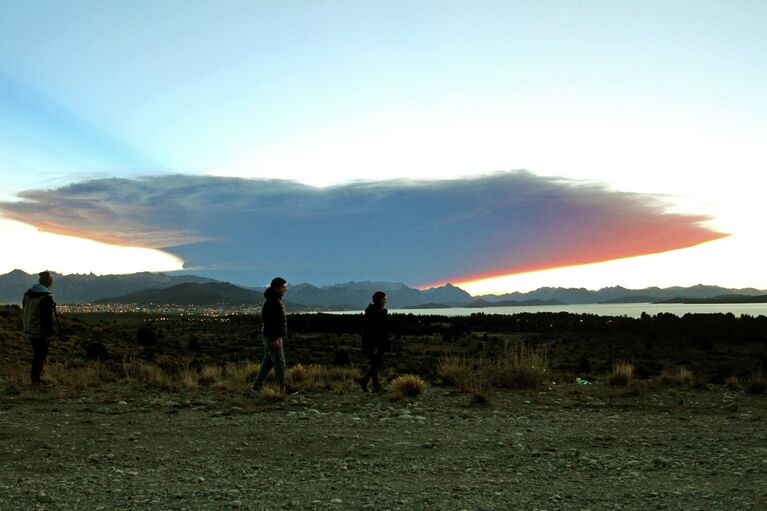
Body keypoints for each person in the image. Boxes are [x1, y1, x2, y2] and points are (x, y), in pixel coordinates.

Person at [252, 277, 293, 394]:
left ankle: (257, 386)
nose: (285, 289)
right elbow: (270, 322)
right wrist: (274, 339)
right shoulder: (272, 302)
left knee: (268, 362)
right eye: (283, 287)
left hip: (270, 336)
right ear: (276, 288)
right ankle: (282, 388)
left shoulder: (273, 300)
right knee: (280, 362)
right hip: (272, 337)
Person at [22, 271, 58, 385]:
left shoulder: (28, 294)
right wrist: (48, 333)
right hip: (40, 332)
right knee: (40, 355)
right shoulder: (45, 297)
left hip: (29, 328)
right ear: (49, 283)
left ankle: (36, 378)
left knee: (37, 354)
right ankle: (36, 380)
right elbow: (46, 318)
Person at [355, 291, 390, 393]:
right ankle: (375, 386)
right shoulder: (373, 314)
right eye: (384, 299)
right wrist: (374, 345)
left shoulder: (376, 312)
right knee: (376, 363)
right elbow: (373, 331)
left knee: (376, 364)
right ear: (379, 300)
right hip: (374, 343)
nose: (386, 300)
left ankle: (365, 381)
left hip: (378, 343)